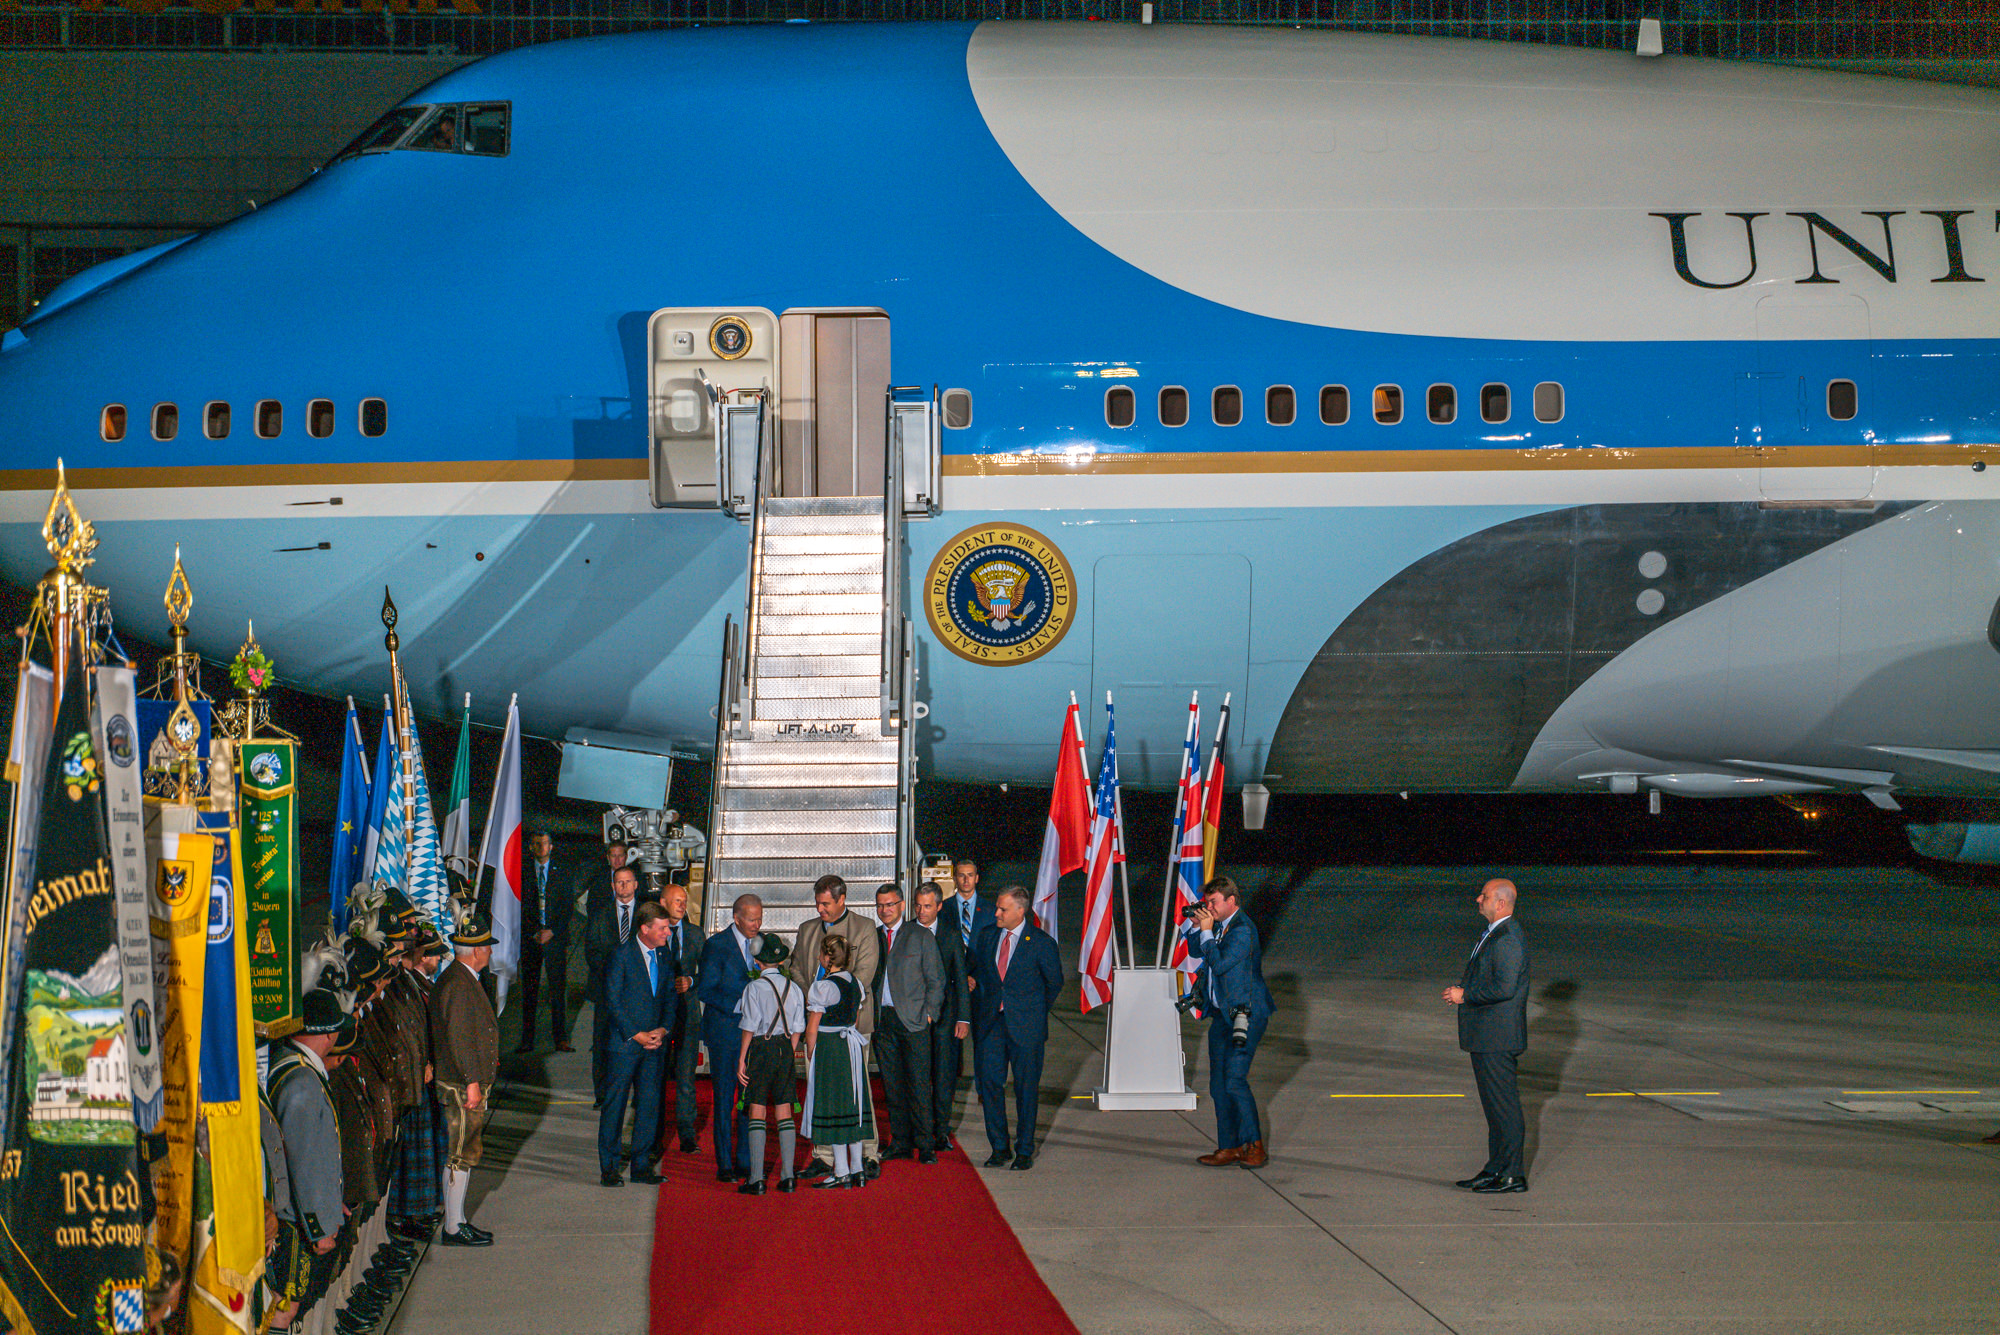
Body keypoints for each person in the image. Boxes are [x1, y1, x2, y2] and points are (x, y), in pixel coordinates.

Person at [1178, 875, 1277, 1169]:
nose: (1208, 907)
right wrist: (1196, 928)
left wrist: (1207, 931)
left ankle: (1254, 1145)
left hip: (1246, 1014)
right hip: (1223, 1015)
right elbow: (1196, 951)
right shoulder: (1220, 925)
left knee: (1234, 1080)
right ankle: (1229, 1146)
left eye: (1213, 902)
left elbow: (1220, 965)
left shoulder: (1243, 930)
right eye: (1206, 902)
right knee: (1218, 1085)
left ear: (1231, 901)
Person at [267, 989, 348, 1332]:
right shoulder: (301, 1081)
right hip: (294, 1220)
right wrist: (318, 1225)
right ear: (329, 1035)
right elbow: (304, 1159)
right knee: (284, 1305)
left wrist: (330, 1202)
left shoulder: (293, 1066)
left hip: (295, 1212)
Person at [1444, 878, 1531, 1194]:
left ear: (1501, 903)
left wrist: (1465, 995)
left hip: (1497, 1038)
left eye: (1485, 895)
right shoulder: (1495, 933)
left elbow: (1504, 988)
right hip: (1487, 1036)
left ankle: (1512, 1175)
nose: (1478, 899)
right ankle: (1495, 1169)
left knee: (1504, 1108)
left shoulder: (1507, 939)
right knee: (1494, 1109)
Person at [791, 874, 880, 1180]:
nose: (820, 909)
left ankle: (867, 1153)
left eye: (826, 903)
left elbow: (864, 974)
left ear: (842, 899)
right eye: (817, 903)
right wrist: (813, 996)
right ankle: (824, 1155)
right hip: (816, 1024)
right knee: (822, 1091)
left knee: (856, 1092)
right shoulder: (807, 929)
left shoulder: (864, 927)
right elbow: (796, 969)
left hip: (849, 1028)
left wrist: (829, 998)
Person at [969, 886, 1063, 1170]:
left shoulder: (1042, 943)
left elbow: (1054, 983)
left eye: (1003, 909)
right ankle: (999, 1148)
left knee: (1026, 1089)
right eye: (997, 908)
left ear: (1020, 911)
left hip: (1026, 1028)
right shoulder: (987, 936)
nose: (996, 913)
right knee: (989, 1084)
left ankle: (1024, 1150)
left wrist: (1032, 1011)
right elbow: (978, 971)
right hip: (991, 1025)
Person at [429, 911, 500, 1246]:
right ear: (476, 951)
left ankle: (456, 1221)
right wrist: (472, 1081)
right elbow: (459, 1037)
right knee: (460, 1153)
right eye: (486, 946)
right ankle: (453, 1226)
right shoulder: (459, 984)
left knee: (463, 1151)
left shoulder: (459, 978)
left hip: (461, 1081)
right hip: (460, 1084)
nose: (490, 951)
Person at [598, 901, 674, 1187]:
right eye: (662, 928)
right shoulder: (621, 955)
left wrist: (663, 1030)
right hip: (624, 1045)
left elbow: (669, 997)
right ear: (645, 929)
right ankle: (609, 1168)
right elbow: (612, 1001)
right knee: (615, 1106)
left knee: (649, 1106)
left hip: (655, 1045)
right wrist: (636, 1034)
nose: (668, 932)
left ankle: (641, 1166)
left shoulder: (665, 955)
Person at [873, 882, 945, 1164]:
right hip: (884, 1021)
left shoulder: (920, 935)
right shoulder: (874, 937)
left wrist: (929, 1013)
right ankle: (900, 1142)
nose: (885, 910)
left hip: (914, 1021)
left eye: (890, 904)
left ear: (902, 905)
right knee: (892, 1086)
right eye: (880, 905)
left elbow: (936, 979)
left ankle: (926, 1144)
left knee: (918, 1085)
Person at [696, 894, 763, 1182]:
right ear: (736, 918)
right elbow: (705, 989)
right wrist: (739, 1005)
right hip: (725, 1033)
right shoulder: (716, 945)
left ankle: (745, 1161)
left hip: (754, 1035)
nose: (757, 924)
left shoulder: (762, 943)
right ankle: (724, 1163)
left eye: (760, 918)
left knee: (748, 1099)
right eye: (752, 919)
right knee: (724, 1100)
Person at [734, 932, 806, 1196]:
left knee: (757, 1108)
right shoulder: (794, 988)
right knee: (784, 1109)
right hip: (785, 1048)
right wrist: (788, 1050)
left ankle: (756, 1179)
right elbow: (798, 1027)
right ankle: (788, 1177)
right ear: (780, 961)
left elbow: (749, 1026)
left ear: (758, 961)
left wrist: (742, 1058)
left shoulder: (754, 988)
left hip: (761, 1049)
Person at [801, 936, 874, 1189]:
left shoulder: (825, 986)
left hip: (830, 1048)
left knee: (833, 1105)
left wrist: (811, 1051)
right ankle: (857, 1169)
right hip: (850, 1047)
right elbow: (854, 1018)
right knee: (851, 1104)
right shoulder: (855, 983)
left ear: (826, 957)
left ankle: (841, 1170)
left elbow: (812, 1026)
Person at [913, 883, 971, 1151]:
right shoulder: (907, 932)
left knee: (944, 1076)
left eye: (927, 906)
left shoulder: (950, 935)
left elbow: (960, 978)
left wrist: (963, 1018)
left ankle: (941, 1131)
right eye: (918, 905)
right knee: (917, 1076)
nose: (921, 911)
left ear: (938, 906)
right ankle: (920, 1129)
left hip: (946, 1018)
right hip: (914, 1017)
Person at [585, 864, 644, 1105]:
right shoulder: (601, 915)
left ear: (636, 885)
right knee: (602, 1043)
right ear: (613, 885)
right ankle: (602, 1095)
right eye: (619, 882)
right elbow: (592, 951)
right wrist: (614, 976)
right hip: (606, 991)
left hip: (639, 992)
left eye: (628, 881)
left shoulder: (646, 914)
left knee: (638, 1043)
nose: (624, 886)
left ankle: (638, 1095)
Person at [653, 882, 704, 1156]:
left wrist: (691, 980)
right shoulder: (652, 933)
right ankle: (654, 1134)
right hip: (659, 1016)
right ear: (663, 903)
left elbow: (707, 971)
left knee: (686, 1079)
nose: (683, 906)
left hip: (688, 1015)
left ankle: (686, 1134)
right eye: (677, 901)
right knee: (656, 1079)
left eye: (684, 901)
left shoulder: (695, 934)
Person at [517, 830, 576, 1053]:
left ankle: (560, 1038)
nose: (540, 847)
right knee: (529, 990)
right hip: (531, 939)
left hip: (555, 939)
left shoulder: (562, 871)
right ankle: (527, 1039)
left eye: (544, 843)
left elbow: (567, 906)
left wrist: (552, 931)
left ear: (551, 846)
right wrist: (533, 931)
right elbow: (519, 905)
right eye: (536, 844)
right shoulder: (524, 872)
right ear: (530, 847)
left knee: (557, 990)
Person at [938, 857, 994, 960]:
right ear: (955, 879)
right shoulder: (942, 908)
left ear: (976, 878)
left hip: (981, 968)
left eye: (970, 875)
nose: (966, 880)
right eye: (961, 875)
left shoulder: (990, 909)